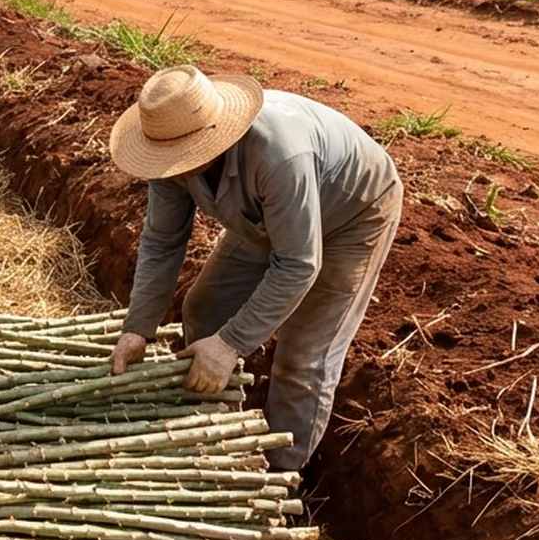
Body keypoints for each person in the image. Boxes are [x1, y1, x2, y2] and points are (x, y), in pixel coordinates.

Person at [105, 64, 402, 471]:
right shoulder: (169, 154)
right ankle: (218, 431)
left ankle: (280, 476)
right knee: (203, 309)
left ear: (211, 137)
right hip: (268, 216)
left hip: (351, 214)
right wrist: (137, 328)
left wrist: (231, 345)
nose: (173, 165)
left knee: (303, 356)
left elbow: (298, 263)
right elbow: (162, 243)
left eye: (179, 157)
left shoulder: (278, 156)